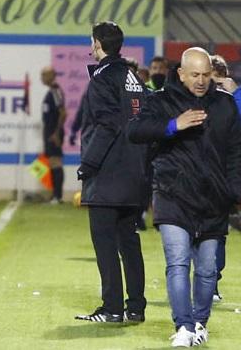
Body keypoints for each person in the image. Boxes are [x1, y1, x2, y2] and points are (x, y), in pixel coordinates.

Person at [128, 47, 241, 347]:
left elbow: (237, 151)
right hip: (172, 194)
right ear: (180, 73)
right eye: (195, 74)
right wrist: (173, 125)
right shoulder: (160, 101)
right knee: (178, 262)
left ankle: (199, 323)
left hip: (213, 199)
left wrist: (234, 190)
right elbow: (135, 130)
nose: (201, 80)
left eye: (206, 75)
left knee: (207, 269)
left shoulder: (225, 105)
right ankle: (183, 326)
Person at [74, 21, 147, 324]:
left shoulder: (103, 79)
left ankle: (112, 308)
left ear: (98, 44)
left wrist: (88, 164)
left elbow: (106, 124)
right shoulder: (132, 76)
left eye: (92, 41)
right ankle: (136, 307)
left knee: (104, 243)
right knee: (129, 241)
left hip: (108, 173)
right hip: (134, 172)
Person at [210, 54, 241, 301]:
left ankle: (211, 282)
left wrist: (234, 90)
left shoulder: (233, 99)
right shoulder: (195, 99)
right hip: (196, 173)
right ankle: (199, 278)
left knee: (217, 232)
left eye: (219, 83)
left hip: (222, 177)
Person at [41, 66, 66, 204]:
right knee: (51, 163)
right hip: (49, 132)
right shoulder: (50, 92)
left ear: (51, 75)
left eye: (44, 75)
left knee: (56, 162)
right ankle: (54, 195)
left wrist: (56, 133)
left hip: (53, 133)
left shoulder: (56, 91)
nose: (42, 78)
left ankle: (58, 196)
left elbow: (63, 112)